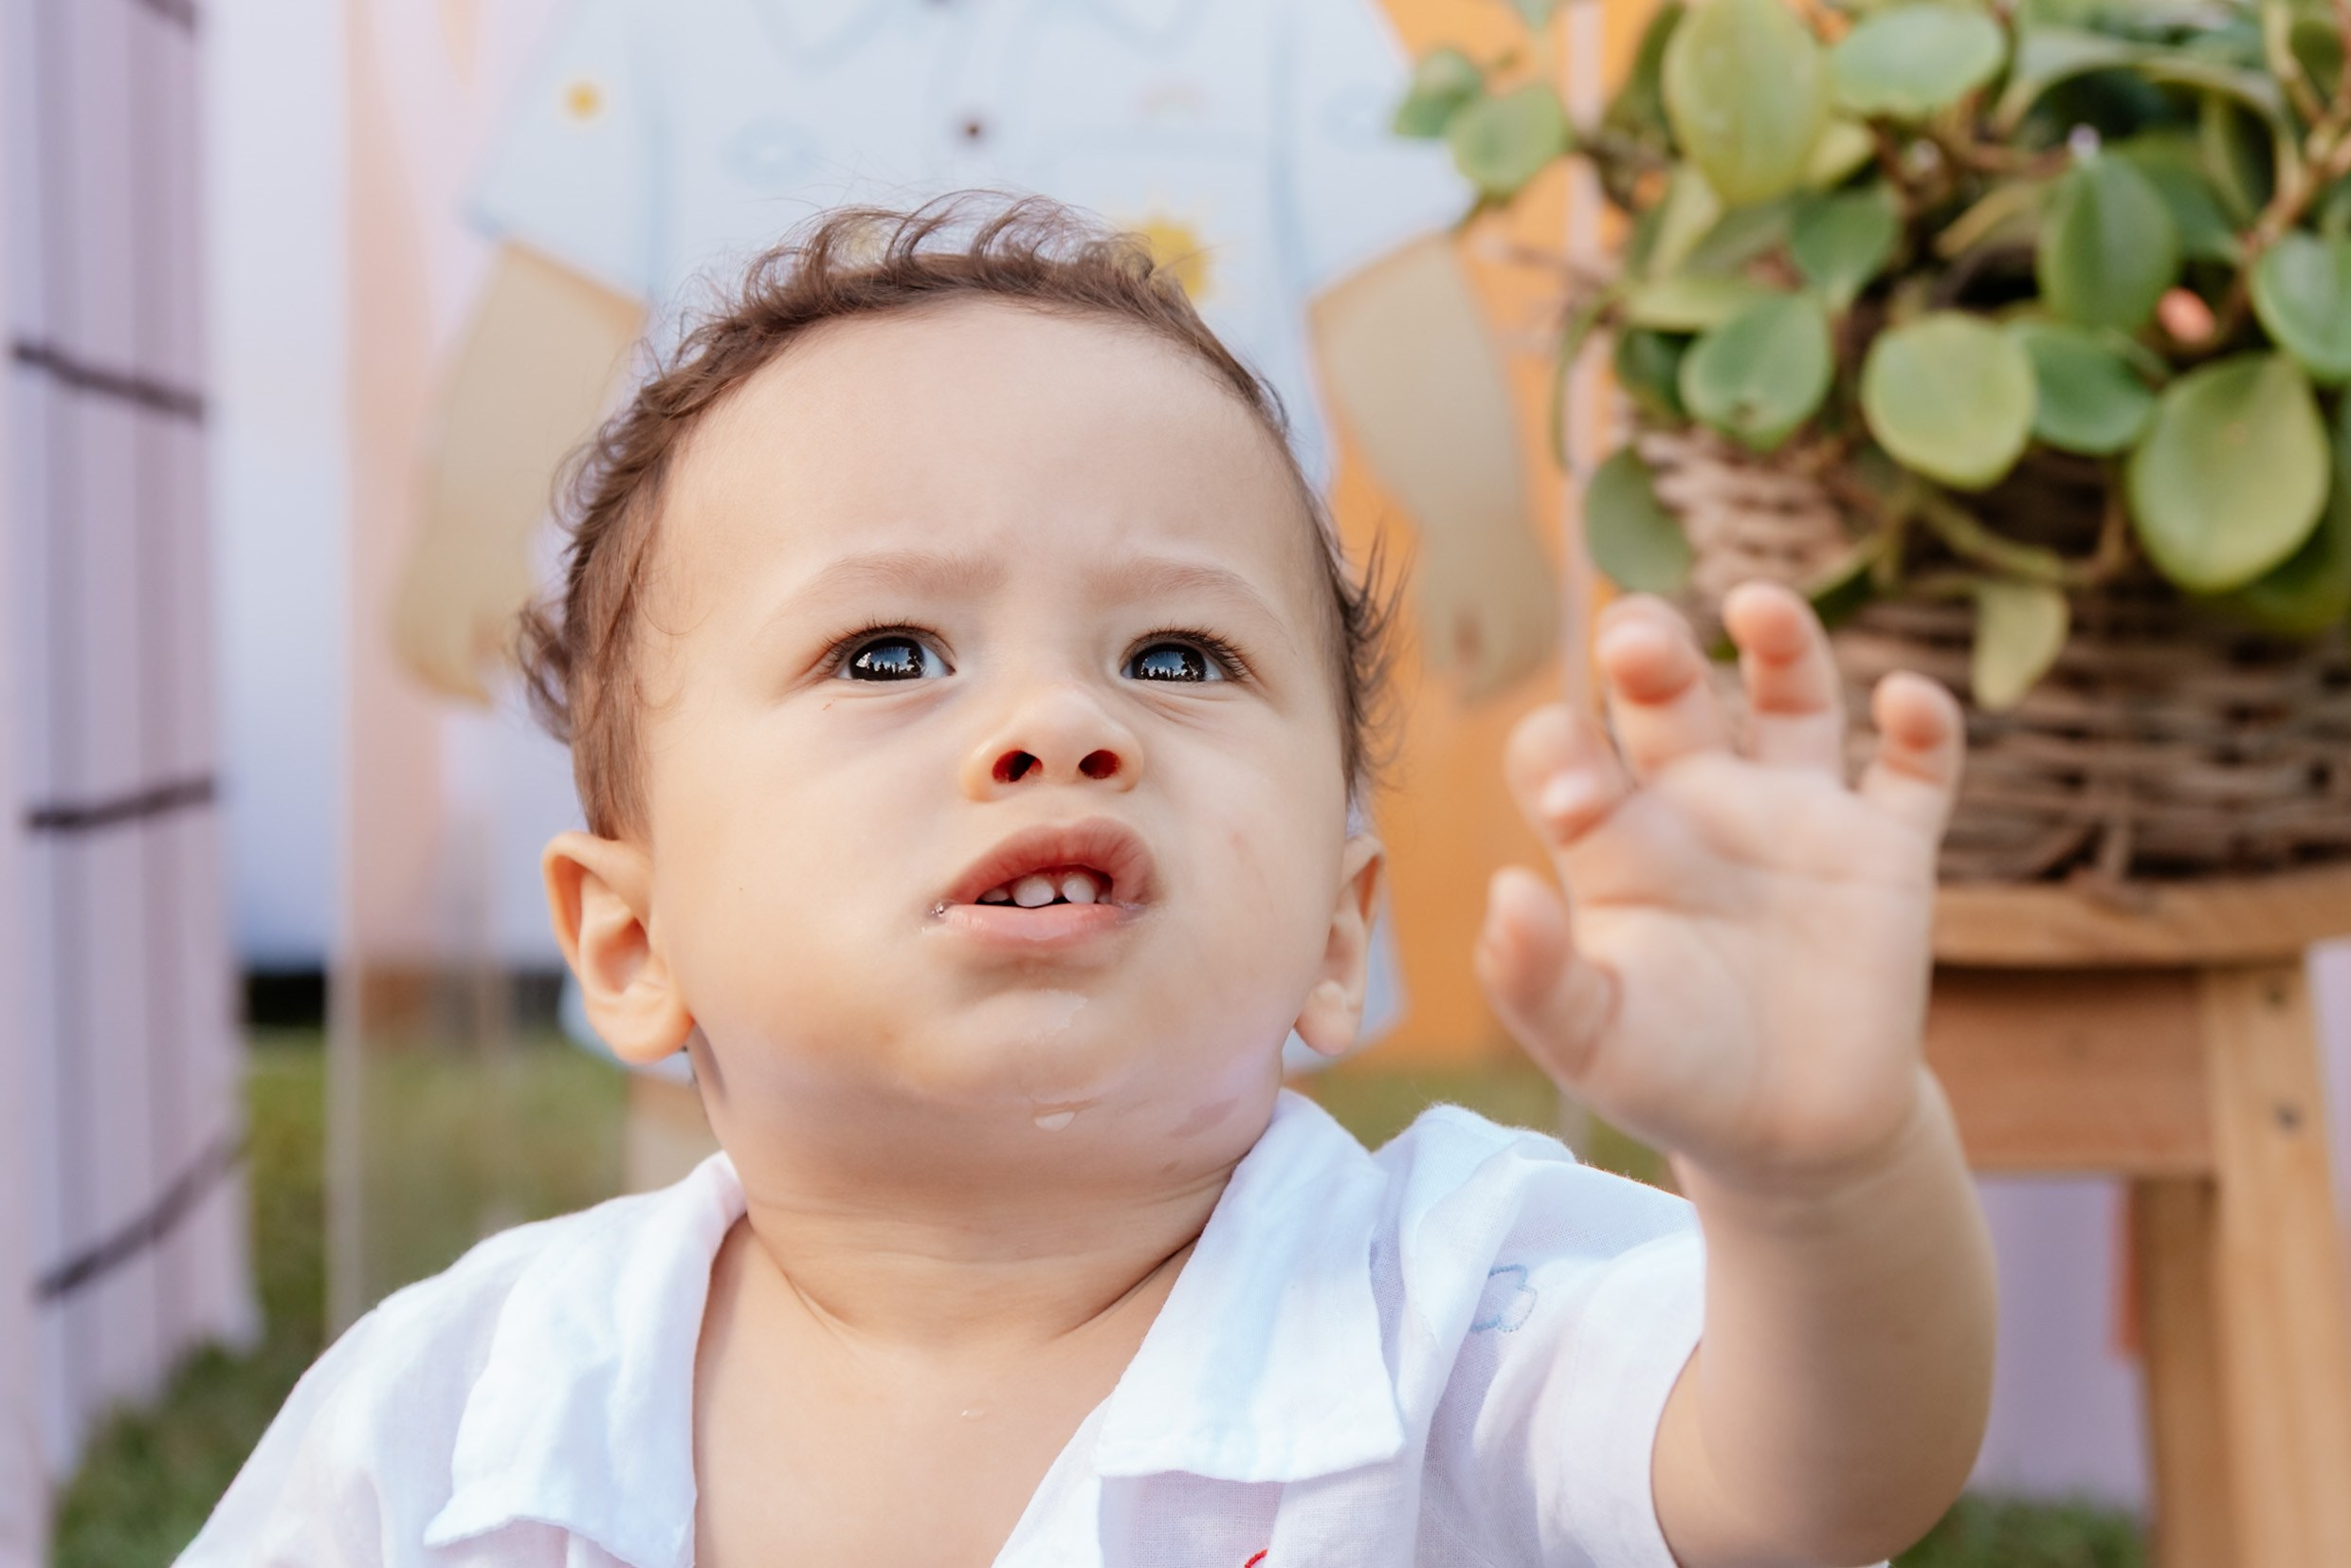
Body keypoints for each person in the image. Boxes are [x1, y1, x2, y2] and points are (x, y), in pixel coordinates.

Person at [182, 201, 1995, 1568]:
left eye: (1179, 656)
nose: (1061, 722)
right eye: (889, 653)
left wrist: (1826, 1176)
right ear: (635, 941)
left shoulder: (1455, 1303)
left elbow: (1818, 1480)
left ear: (1338, 927)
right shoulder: (462, 1413)